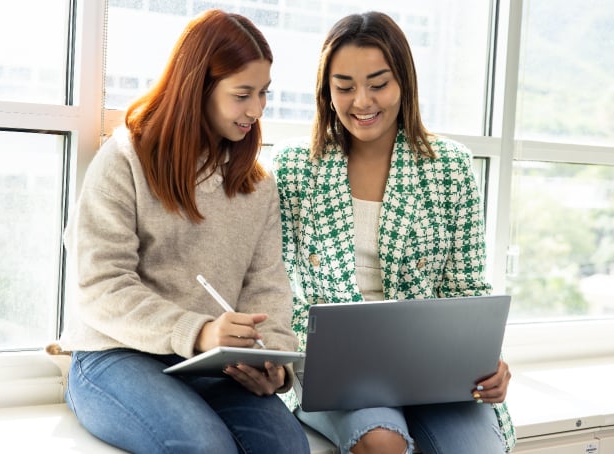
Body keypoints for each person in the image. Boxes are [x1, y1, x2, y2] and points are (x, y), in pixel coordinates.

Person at [57, 9, 310, 454]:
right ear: (199, 87)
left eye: (264, 94)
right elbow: (99, 286)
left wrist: (271, 360)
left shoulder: (257, 184)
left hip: (211, 365)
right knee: (202, 446)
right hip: (114, 356)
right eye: (242, 94)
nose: (256, 110)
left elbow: (267, 288)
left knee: (288, 447)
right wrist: (198, 332)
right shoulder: (125, 159)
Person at [272, 11, 516, 454]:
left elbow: (467, 291)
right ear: (327, 92)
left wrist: (487, 364)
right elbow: (278, 292)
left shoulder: (450, 168)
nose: (361, 101)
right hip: (334, 375)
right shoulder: (293, 169)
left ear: (404, 82)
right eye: (344, 86)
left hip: (432, 371)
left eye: (378, 84)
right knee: (381, 442)